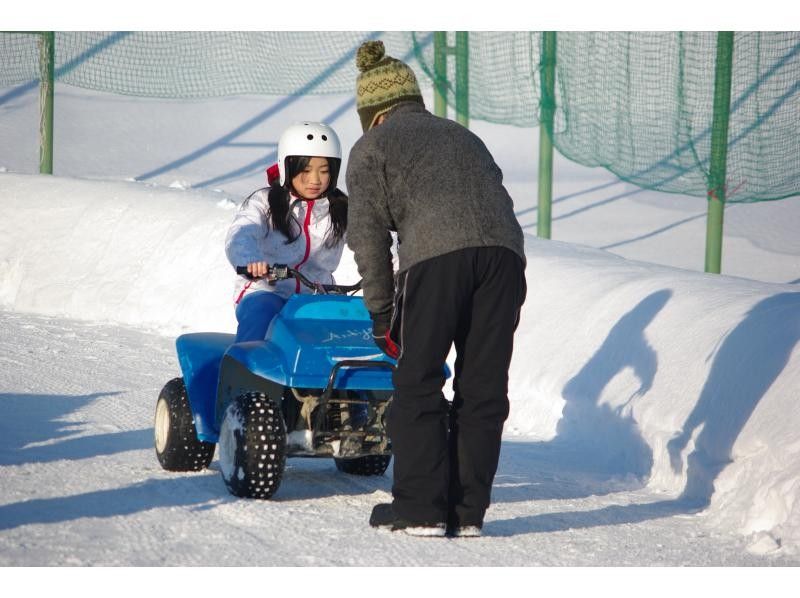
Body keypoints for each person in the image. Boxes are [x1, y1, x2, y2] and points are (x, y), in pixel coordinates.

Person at [346, 41, 527, 537]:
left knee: (418, 380)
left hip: (437, 259)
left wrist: (383, 315)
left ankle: (422, 509)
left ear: (373, 115)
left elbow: (367, 238)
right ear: (413, 101)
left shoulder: (372, 148)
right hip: (506, 259)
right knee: (483, 387)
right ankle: (468, 514)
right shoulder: (460, 134)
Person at [225, 122, 347, 342]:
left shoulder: (341, 209)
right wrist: (252, 261)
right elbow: (242, 234)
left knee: (353, 326)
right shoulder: (265, 202)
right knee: (262, 315)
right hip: (267, 290)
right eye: (306, 170)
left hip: (317, 296)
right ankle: (243, 370)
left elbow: (375, 241)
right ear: (287, 168)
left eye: (324, 171)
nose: (315, 180)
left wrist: (396, 269)